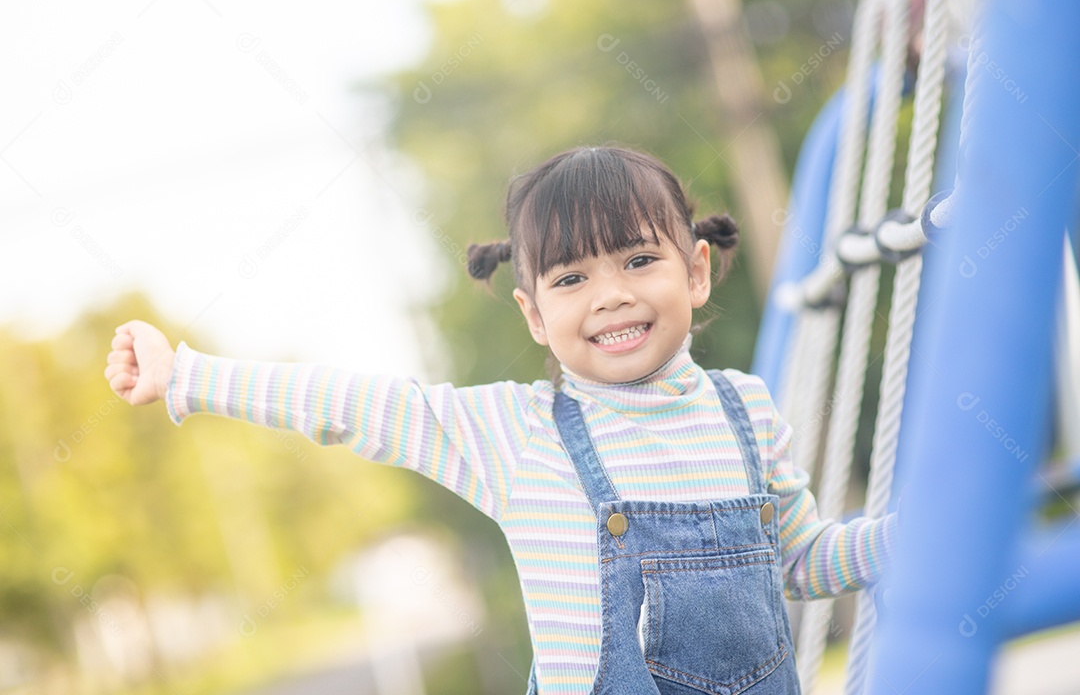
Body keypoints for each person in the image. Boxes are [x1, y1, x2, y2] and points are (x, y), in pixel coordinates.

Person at [105, 145, 896, 695]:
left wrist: (908, 536)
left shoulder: (745, 411)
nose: (610, 294)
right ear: (535, 316)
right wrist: (193, 377)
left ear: (694, 271)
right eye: (572, 277)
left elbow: (800, 561)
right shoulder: (518, 433)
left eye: (639, 261)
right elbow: (351, 406)